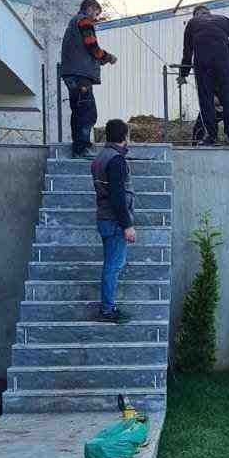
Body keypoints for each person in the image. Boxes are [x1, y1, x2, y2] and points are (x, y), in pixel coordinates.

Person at [180, 3, 229, 147]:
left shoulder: (192, 23)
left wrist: (183, 74)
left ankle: (211, 136)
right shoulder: (223, 19)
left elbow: (187, 52)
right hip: (223, 65)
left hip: (203, 66)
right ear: (209, 12)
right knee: (228, 99)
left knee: (206, 101)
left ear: (196, 14)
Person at [91, 117, 135, 324]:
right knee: (113, 266)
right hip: (114, 221)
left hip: (104, 217)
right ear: (124, 136)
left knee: (111, 264)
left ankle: (108, 307)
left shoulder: (100, 157)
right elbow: (117, 196)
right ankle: (107, 310)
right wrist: (127, 225)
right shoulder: (116, 160)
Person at [60, 0, 116, 158]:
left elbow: (83, 49)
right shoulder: (84, 21)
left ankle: (78, 147)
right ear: (90, 8)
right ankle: (82, 148)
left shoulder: (73, 24)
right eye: (96, 13)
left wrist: (98, 59)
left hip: (71, 73)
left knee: (78, 111)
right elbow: (92, 46)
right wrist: (107, 57)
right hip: (80, 76)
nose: (96, 18)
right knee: (87, 111)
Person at [191, 64, 229, 146]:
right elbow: (204, 87)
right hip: (213, 105)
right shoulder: (209, 66)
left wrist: (224, 102)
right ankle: (197, 148)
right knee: (198, 128)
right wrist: (211, 98)